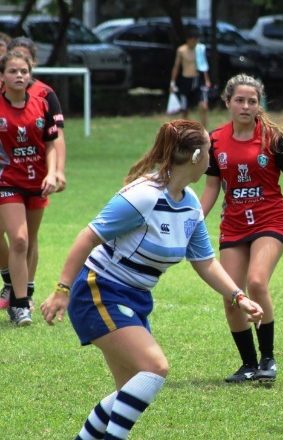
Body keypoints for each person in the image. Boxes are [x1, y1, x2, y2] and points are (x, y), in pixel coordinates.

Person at [39, 119, 264, 440]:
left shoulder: (190, 207)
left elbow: (205, 262)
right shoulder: (143, 195)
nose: (213, 158)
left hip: (135, 300)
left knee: (128, 391)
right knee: (155, 367)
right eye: (211, 151)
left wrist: (238, 297)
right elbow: (88, 236)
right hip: (98, 291)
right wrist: (62, 289)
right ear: (198, 156)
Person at [201, 74, 283, 384]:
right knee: (230, 293)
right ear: (228, 103)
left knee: (257, 282)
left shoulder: (274, 138)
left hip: (270, 220)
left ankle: (268, 359)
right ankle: (248, 364)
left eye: (252, 101)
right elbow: (212, 187)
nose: (246, 106)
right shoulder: (215, 140)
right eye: (240, 100)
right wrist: (194, 218)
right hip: (233, 224)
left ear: (259, 104)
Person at [0, 37, 67, 312]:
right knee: (19, 238)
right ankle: (13, 285)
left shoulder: (43, 97)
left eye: (23, 68)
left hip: (36, 179)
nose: (19, 74)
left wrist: (57, 172)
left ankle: (22, 292)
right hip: (7, 180)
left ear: (32, 68)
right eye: (12, 68)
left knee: (27, 238)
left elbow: (55, 138)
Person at [170, 26, 212, 127]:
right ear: (188, 40)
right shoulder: (181, 50)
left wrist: (207, 79)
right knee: (185, 109)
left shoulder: (200, 49)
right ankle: (186, 131)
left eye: (196, 40)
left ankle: (204, 130)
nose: (195, 42)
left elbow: (203, 65)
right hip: (185, 80)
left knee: (203, 106)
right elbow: (176, 67)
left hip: (197, 79)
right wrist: (172, 82)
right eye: (193, 40)